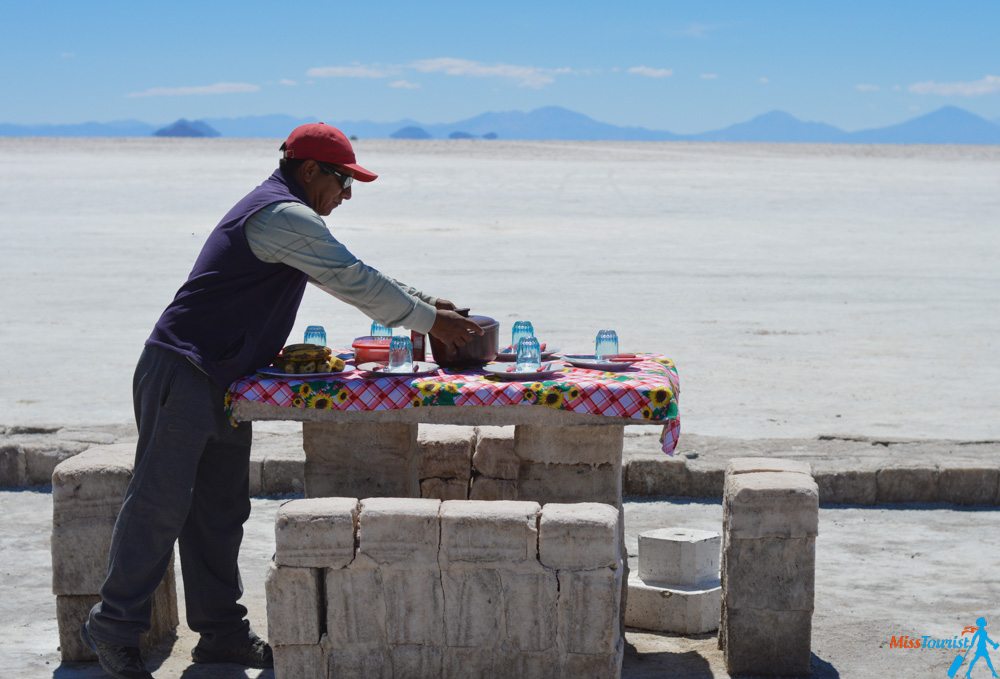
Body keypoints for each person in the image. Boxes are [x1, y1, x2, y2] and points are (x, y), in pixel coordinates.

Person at [81, 122, 483, 679]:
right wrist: (430, 321)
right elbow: (351, 279)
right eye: (344, 182)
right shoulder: (279, 214)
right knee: (160, 504)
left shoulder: (292, 219)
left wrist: (426, 301)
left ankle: (221, 634)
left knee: (219, 512)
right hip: (185, 369)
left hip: (224, 376)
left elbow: (349, 269)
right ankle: (114, 626)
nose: (346, 195)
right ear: (311, 170)